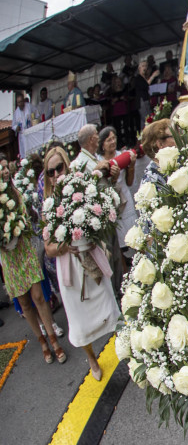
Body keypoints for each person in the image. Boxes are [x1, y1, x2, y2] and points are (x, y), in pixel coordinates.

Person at [42, 147, 120, 381]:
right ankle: (91, 359)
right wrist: (66, 243)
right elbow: (48, 248)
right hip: (71, 270)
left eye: (59, 168)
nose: (56, 174)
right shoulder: (48, 205)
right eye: (50, 171)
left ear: (67, 165)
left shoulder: (84, 188)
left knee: (109, 306)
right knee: (80, 321)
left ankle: (125, 348)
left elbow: (101, 214)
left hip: (91, 259)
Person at [2, 160, 65, 365]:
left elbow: (27, 218)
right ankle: (42, 341)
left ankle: (53, 338)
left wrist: (18, 229)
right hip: (8, 257)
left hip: (24, 248)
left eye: (4, 168)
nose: (3, 171)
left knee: (38, 296)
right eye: (0, 169)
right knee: (24, 302)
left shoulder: (16, 193)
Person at [98, 127, 138, 255]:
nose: (112, 141)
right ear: (102, 144)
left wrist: (131, 166)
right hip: (111, 203)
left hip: (125, 199)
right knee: (119, 243)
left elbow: (129, 182)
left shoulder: (121, 155)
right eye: (109, 139)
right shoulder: (99, 161)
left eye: (114, 138)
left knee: (136, 235)